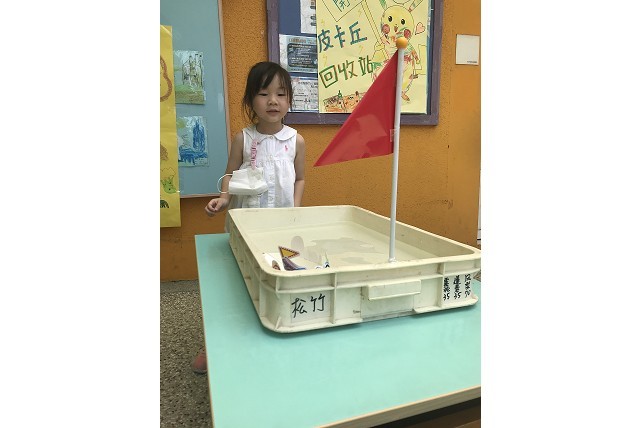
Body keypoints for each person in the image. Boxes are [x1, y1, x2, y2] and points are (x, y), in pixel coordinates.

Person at [191, 61, 306, 374]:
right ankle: (215, 344)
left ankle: (277, 332)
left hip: (283, 227)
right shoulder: (243, 138)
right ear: (250, 99)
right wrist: (223, 198)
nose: (273, 101)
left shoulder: (296, 141)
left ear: (289, 100)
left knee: (283, 277)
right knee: (235, 285)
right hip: (245, 227)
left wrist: (296, 208)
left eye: (281, 94)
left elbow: (300, 178)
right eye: (264, 93)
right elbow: (230, 173)